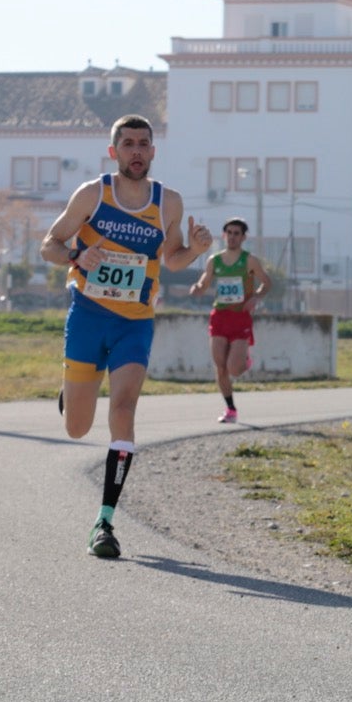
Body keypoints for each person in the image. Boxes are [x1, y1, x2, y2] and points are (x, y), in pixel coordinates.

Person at [40, 114, 212, 559]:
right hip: (88, 315)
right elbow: (49, 244)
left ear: (154, 152)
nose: (137, 151)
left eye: (144, 143)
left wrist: (194, 249)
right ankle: (72, 390)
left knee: (124, 407)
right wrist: (78, 252)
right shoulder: (93, 194)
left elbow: (171, 260)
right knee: (77, 428)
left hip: (135, 320)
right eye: (128, 143)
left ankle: (105, 522)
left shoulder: (168, 202)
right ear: (113, 151)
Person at [189, 217, 271, 423]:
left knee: (234, 368)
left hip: (240, 318)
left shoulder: (249, 260)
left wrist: (256, 298)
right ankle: (230, 409)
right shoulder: (214, 260)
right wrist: (198, 288)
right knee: (220, 365)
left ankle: (245, 360)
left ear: (243, 237)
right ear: (224, 235)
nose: (232, 237)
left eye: (237, 233)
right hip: (219, 316)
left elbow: (266, 283)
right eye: (229, 233)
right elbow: (204, 281)